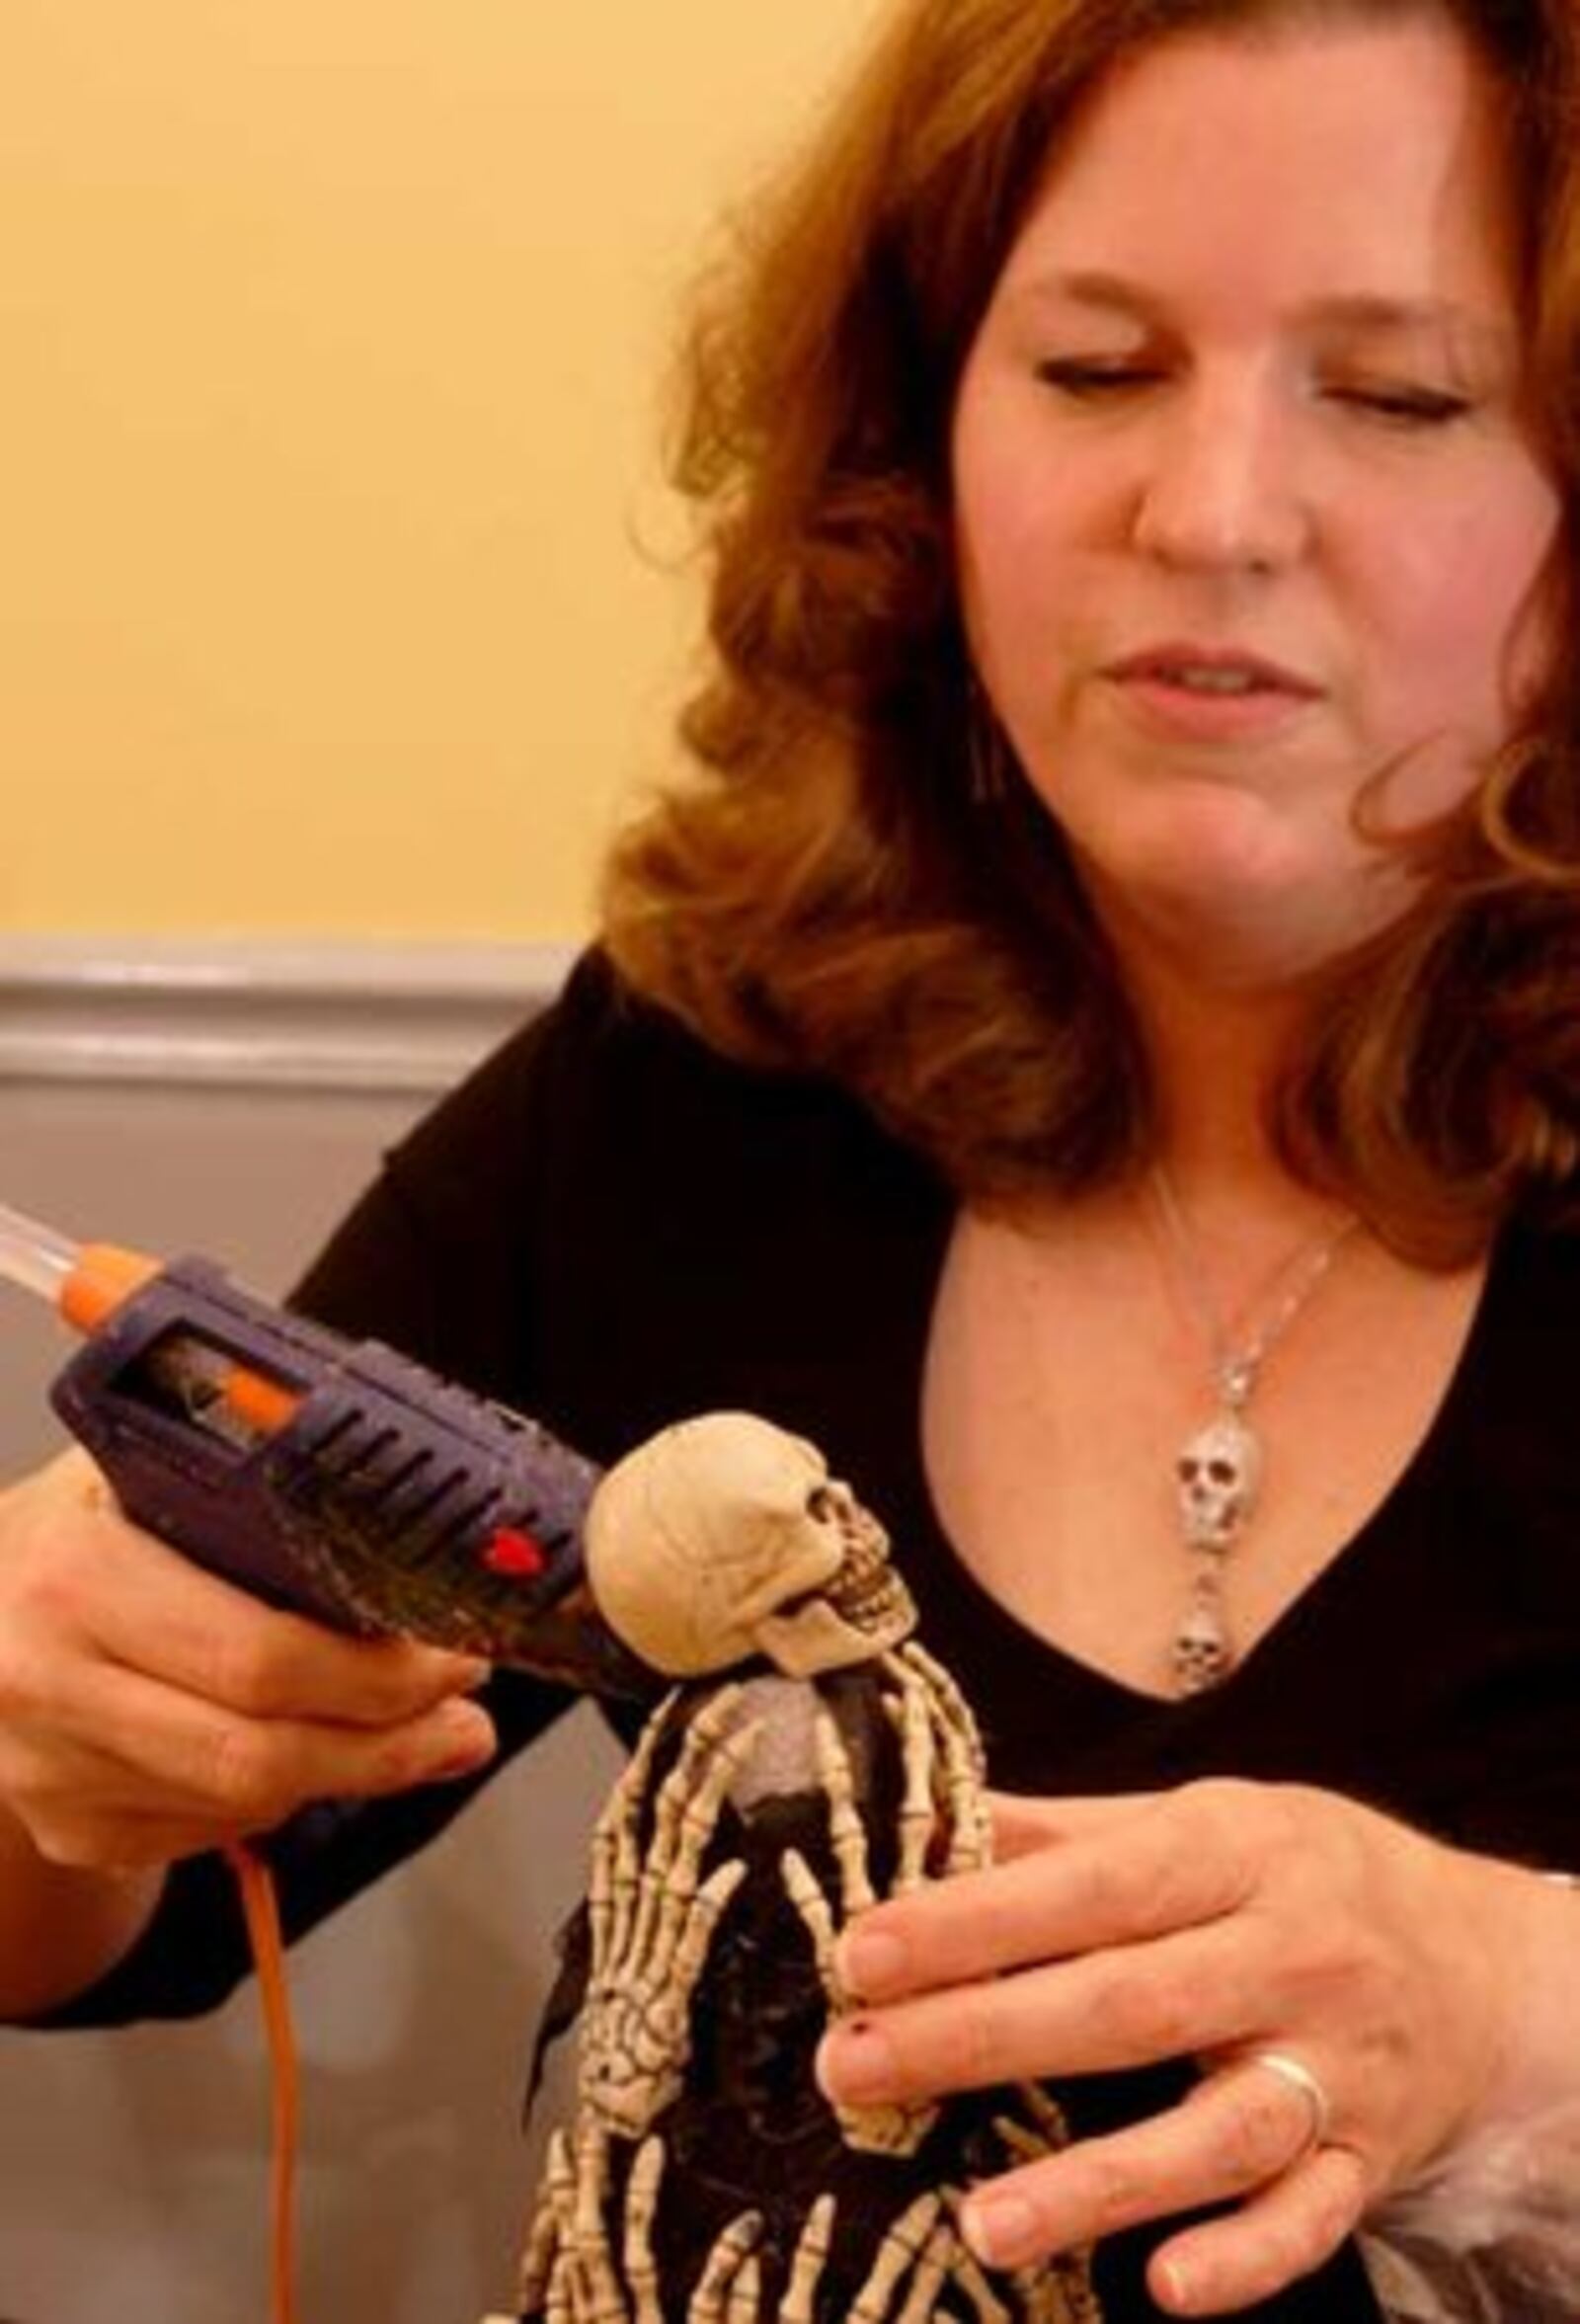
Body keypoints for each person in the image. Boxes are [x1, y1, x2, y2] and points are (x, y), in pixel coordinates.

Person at [3, 0, 1580, 2314]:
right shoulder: (714, 1074)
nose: (1210, 511)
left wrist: (1519, 2011)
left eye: (1401, 393)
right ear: (914, 447)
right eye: (1091, 369)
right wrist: (52, 1743)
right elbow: (101, 1927)